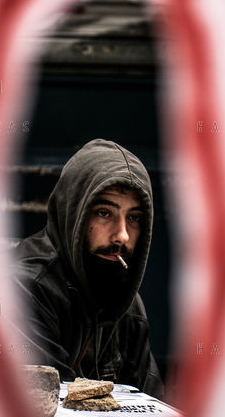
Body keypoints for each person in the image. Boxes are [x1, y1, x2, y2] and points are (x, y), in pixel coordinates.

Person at [12, 139, 165, 399]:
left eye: (134, 218)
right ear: (74, 212)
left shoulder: (126, 302)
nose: (122, 236)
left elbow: (154, 402)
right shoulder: (25, 286)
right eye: (104, 213)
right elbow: (54, 407)